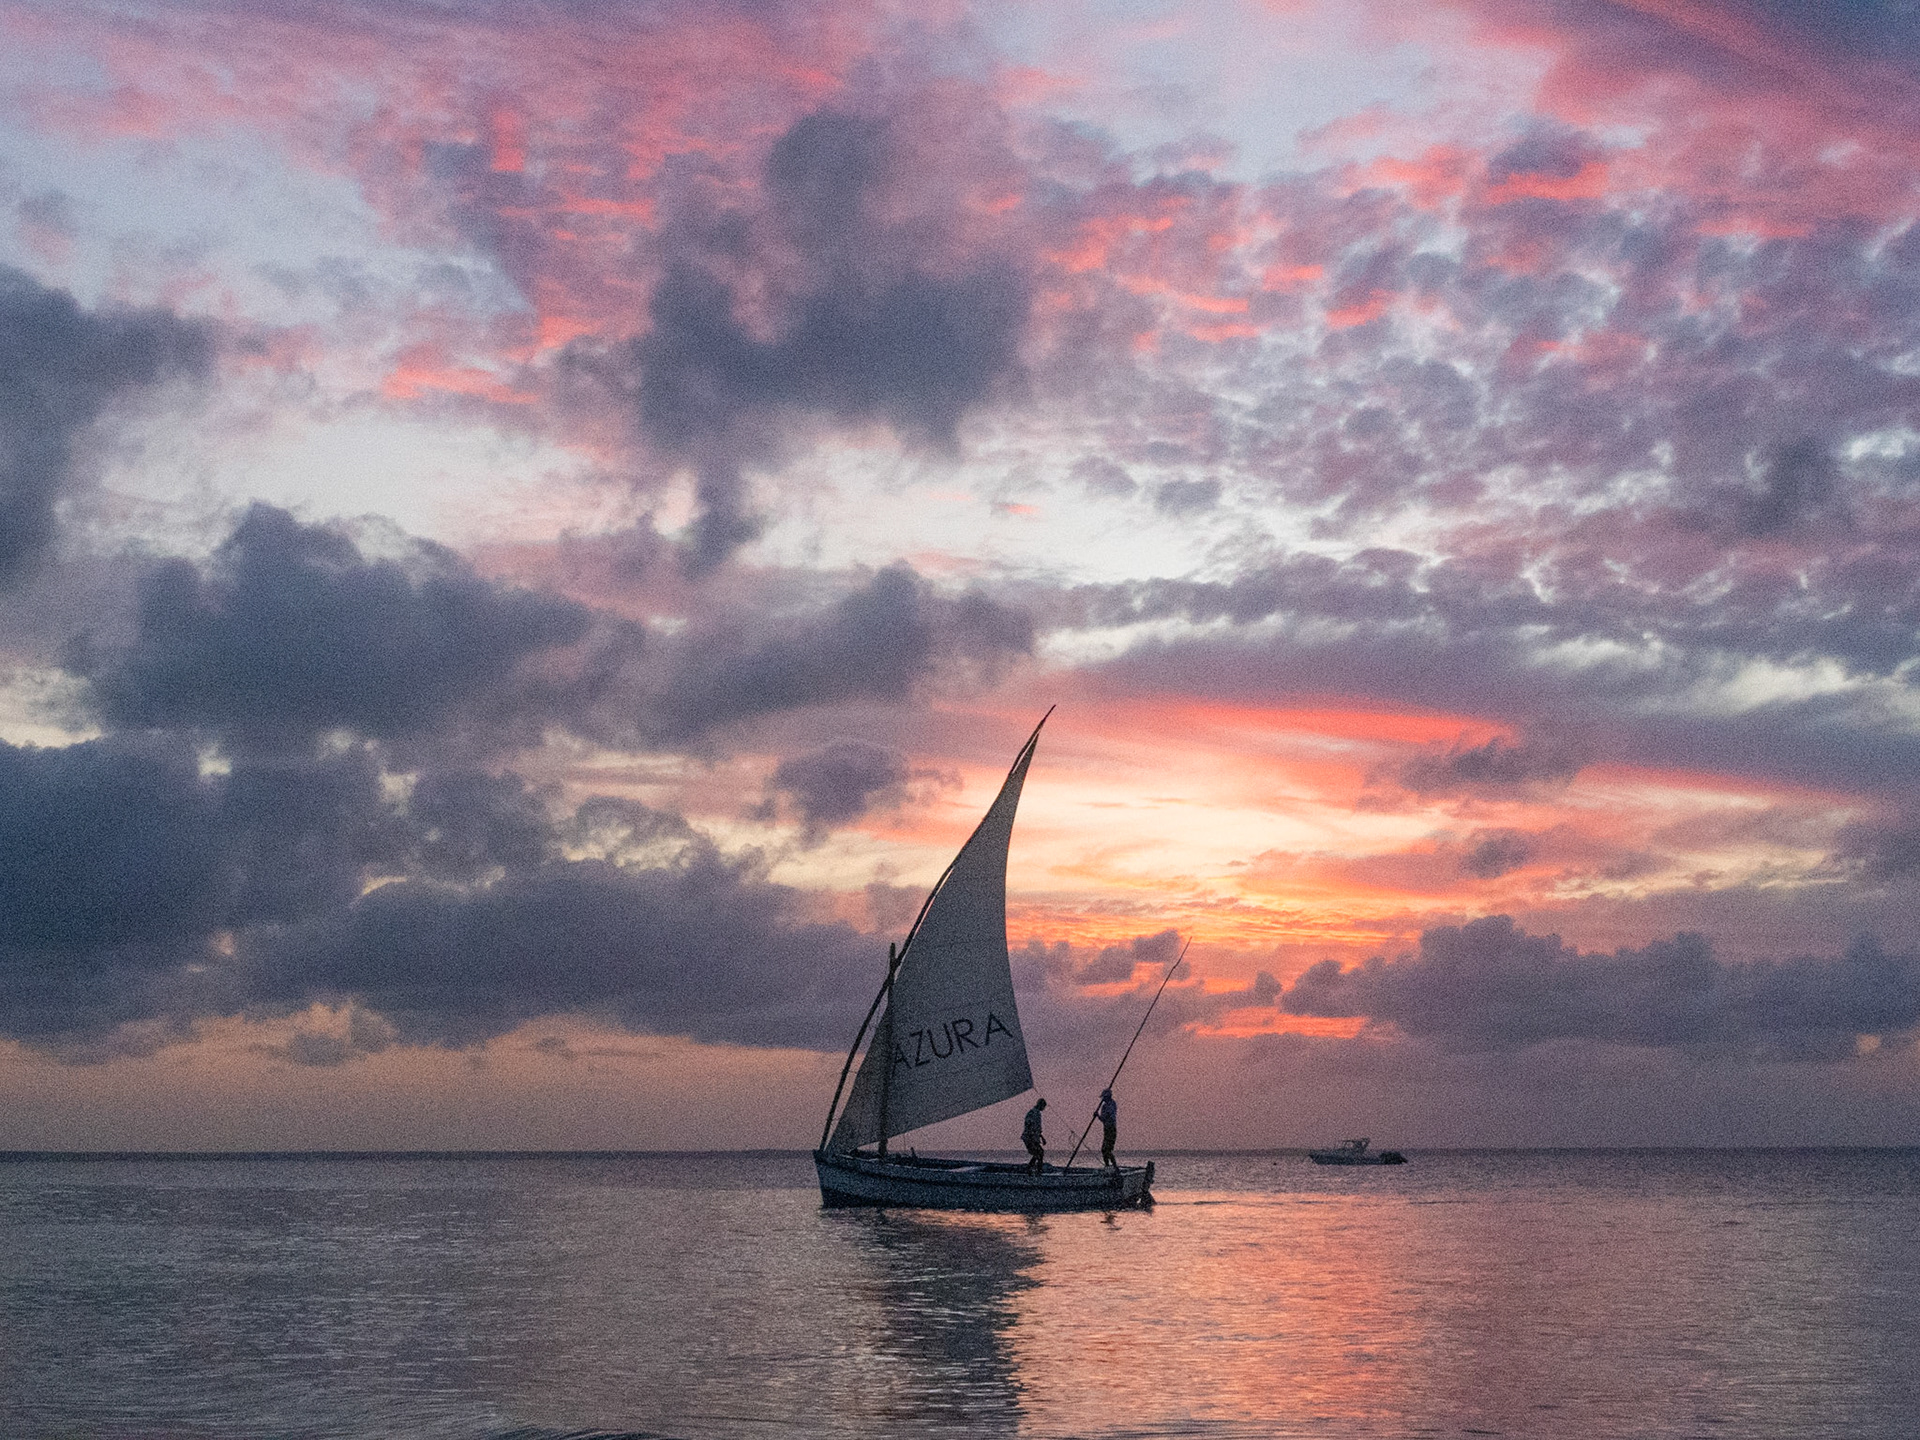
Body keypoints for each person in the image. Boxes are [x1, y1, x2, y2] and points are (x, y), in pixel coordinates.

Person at [1022, 1097, 1047, 1173]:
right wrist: (1032, 1138)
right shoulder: (1032, 1113)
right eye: (1043, 1107)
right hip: (1029, 1138)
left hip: (1034, 1137)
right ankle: (1033, 1170)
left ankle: (1036, 1170)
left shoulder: (1038, 1113)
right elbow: (1028, 1125)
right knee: (1038, 1153)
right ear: (1041, 1105)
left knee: (1040, 1153)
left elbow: (1037, 1129)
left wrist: (1042, 1138)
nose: (1044, 1108)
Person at [1096, 1087, 1118, 1169]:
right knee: (1103, 1150)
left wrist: (1100, 1116)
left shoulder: (1112, 1104)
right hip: (1106, 1129)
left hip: (1111, 1129)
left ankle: (1114, 1166)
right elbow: (1103, 1119)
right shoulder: (1104, 1106)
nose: (1103, 1099)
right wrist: (1098, 1116)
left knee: (1108, 1150)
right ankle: (1107, 1166)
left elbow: (1110, 1117)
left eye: (1104, 1097)